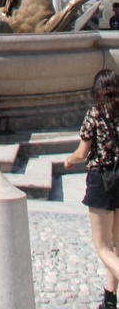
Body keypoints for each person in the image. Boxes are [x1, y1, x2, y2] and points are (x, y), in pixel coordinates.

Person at [65, 70, 119, 309]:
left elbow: (82, 152)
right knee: (116, 245)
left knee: (104, 248)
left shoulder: (95, 114)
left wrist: (69, 160)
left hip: (101, 182)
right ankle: (109, 300)